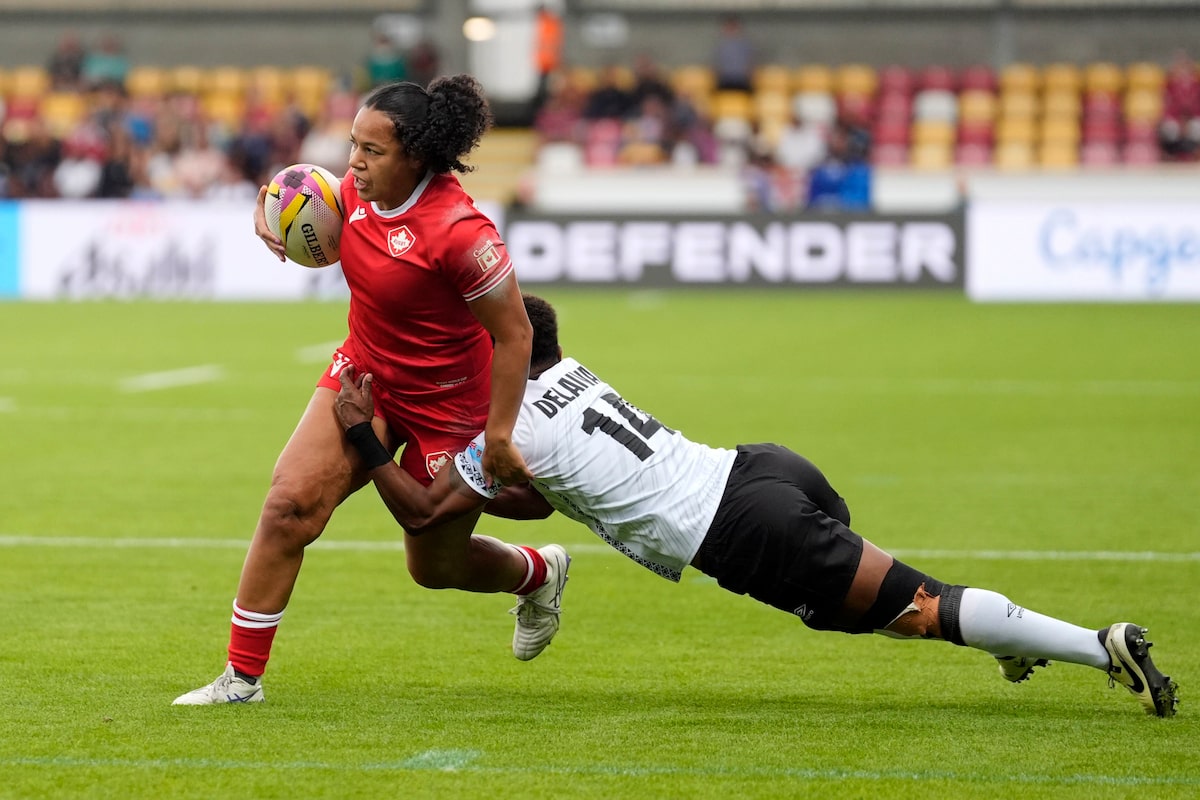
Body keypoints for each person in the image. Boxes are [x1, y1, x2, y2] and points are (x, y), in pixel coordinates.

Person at [333, 294, 1180, 719]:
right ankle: (1008, 639)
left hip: (740, 529)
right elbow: (548, 497)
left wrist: (365, 434)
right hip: (761, 468)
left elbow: (419, 517)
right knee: (873, 608)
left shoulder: (504, 434)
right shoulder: (569, 372)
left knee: (919, 610)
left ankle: (1102, 647)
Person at [173, 76, 568, 705]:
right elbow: (287, 191)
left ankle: (537, 572)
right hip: (364, 377)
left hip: (450, 406)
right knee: (288, 506)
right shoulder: (350, 194)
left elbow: (517, 335)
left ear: (416, 155)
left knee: (432, 568)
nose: (353, 162)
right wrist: (266, 216)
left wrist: (496, 436)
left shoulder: (462, 233)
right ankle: (241, 680)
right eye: (353, 144)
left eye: (371, 151)